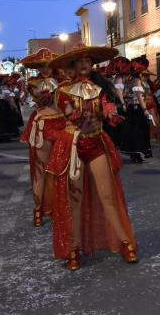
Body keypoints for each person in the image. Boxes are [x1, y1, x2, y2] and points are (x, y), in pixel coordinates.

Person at [46, 45, 138, 271]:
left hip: (96, 143)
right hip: (74, 146)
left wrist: (111, 115)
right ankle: (73, 248)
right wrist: (76, 117)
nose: (85, 64)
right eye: (80, 61)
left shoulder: (100, 88)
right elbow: (67, 117)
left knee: (108, 197)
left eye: (88, 60)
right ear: (73, 66)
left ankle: (126, 242)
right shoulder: (63, 91)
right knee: (74, 201)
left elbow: (106, 111)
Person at [20, 48, 66, 227]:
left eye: (47, 65)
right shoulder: (34, 82)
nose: (45, 69)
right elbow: (40, 98)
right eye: (41, 66)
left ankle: (57, 205)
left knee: (60, 168)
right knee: (41, 170)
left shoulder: (63, 81)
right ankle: (38, 210)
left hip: (61, 124)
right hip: (43, 125)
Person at [120, 56, 152, 163]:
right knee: (139, 131)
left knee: (132, 131)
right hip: (137, 108)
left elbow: (124, 93)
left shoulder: (129, 79)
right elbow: (139, 96)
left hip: (130, 108)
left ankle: (134, 154)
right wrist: (144, 109)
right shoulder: (137, 79)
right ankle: (137, 154)